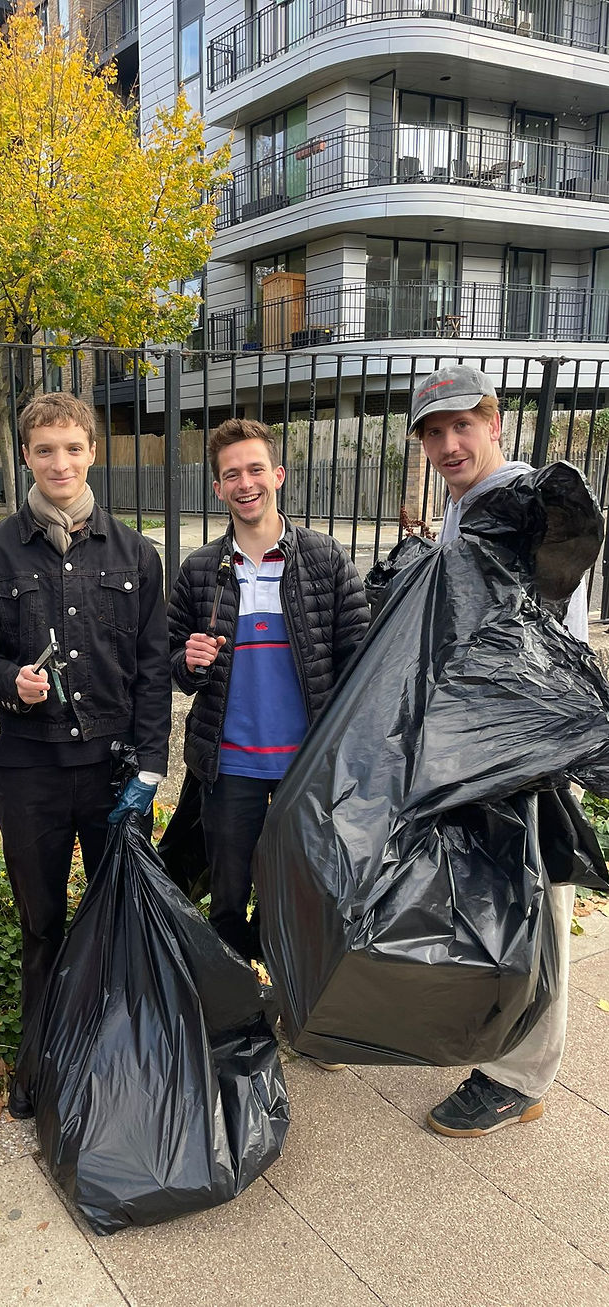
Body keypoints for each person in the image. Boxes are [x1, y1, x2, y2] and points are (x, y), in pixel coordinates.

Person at [0, 392, 171, 1114]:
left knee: (118, 921)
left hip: (114, 773)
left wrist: (150, 765)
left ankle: (115, 1061)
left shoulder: (136, 554)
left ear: (92, 452)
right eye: (45, 449)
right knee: (40, 923)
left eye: (73, 447)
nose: (60, 462)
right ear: (25, 456)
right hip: (30, 773)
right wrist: (8, 682)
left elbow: (153, 669)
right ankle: (41, 1064)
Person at [409, 364, 586, 1136]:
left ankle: (521, 1077)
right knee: (498, 898)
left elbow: (531, 640)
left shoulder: (519, 503)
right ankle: (498, 1038)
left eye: (463, 425)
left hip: (529, 744)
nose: (450, 443)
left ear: (496, 424)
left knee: (537, 902)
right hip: (482, 746)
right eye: (434, 432)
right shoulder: (466, 506)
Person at [166, 418, 369, 970]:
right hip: (230, 768)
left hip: (309, 769)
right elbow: (171, 662)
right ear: (217, 488)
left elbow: (358, 661)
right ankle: (237, 1004)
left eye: (255, 469)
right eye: (231, 475)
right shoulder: (200, 570)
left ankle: (291, 993)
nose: (245, 483)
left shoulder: (326, 559)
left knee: (302, 894)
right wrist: (188, 662)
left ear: (278, 475)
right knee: (228, 899)